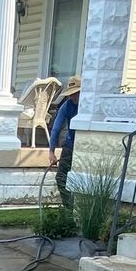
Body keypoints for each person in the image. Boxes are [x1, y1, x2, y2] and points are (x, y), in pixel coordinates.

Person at [47, 75, 81, 203]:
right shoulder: (66, 106)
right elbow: (56, 129)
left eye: (75, 94)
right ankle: (69, 208)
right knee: (61, 178)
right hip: (70, 145)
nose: (72, 97)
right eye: (70, 94)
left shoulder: (87, 106)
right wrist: (51, 152)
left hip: (83, 146)